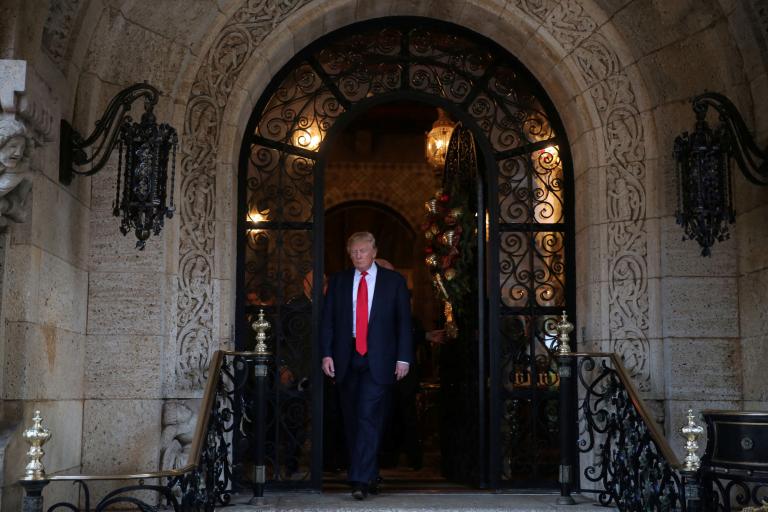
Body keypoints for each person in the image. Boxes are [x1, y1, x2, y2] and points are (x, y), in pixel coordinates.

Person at [321, 232, 413, 500]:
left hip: (380, 358)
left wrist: (403, 358)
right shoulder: (338, 282)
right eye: (354, 251)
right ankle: (370, 474)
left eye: (363, 250)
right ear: (349, 254)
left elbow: (403, 323)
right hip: (346, 356)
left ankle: (359, 480)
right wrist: (326, 354)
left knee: (366, 415)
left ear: (374, 251)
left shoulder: (393, 281)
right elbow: (328, 321)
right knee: (352, 419)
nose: (359, 255)